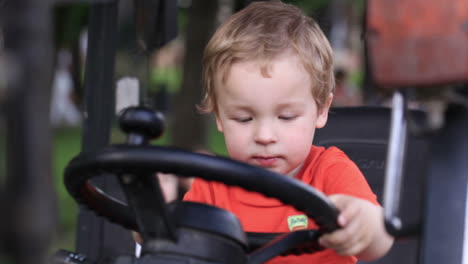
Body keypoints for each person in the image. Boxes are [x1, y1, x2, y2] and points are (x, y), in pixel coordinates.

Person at [183, 1, 394, 263]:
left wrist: (365, 225)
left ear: (320, 110)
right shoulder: (211, 187)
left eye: (286, 117)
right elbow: (173, 241)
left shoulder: (329, 173)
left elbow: (378, 241)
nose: (265, 136)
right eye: (244, 118)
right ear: (219, 116)